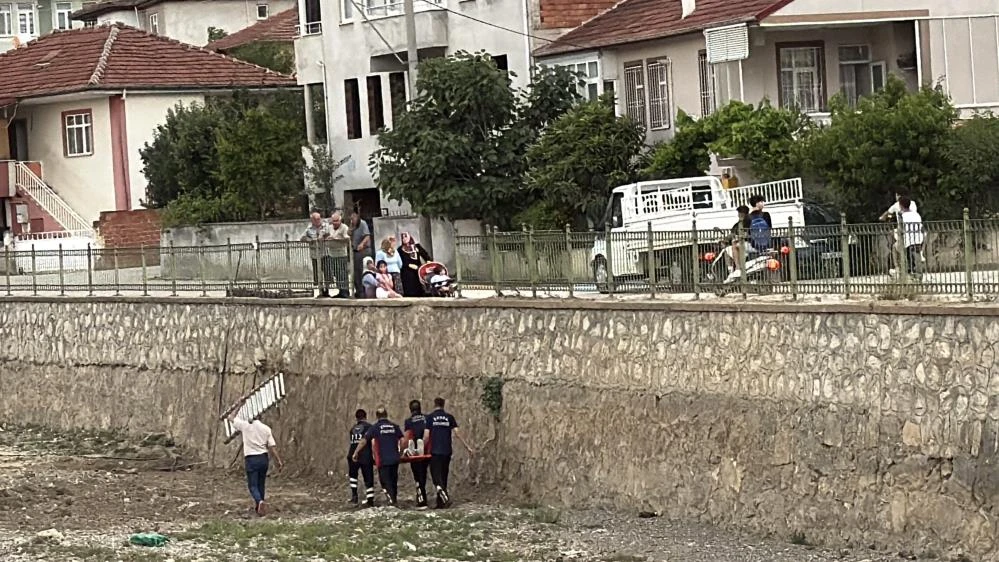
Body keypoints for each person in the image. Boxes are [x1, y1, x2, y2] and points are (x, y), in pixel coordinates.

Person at [227, 400, 285, 516]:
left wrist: (239, 404)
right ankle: (259, 507)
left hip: (251, 458)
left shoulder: (245, 426)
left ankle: (259, 501)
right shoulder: (266, 429)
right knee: (261, 483)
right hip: (263, 458)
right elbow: (272, 447)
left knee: (252, 485)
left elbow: (230, 417)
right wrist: (278, 461)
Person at [422, 397, 474, 509]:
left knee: (436, 477)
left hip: (435, 451)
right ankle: (441, 503)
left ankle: (445, 498)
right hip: (447, 451)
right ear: (443, 405)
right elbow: (458, 433)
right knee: (444, 476)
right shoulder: (449, 417)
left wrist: (421, 448)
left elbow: (426, 436)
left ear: (434, 404)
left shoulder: (430, 418)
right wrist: (468, 447)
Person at [352, 406, 403, 506]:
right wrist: (401, 452)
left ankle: (391, 501)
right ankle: (394, 499)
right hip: (395, 458)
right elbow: (402, 440)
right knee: (393, 480)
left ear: (377, 416)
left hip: (383, 459)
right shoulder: (394, 426)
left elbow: (363, 441)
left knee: (385, 481)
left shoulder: (375, 428)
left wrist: (356, 452)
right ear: (386, 415)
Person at [403, 400, 430, 509]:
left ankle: (421, 499)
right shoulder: (427, 418)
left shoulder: (409, 421)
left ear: (410, 409)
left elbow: (407, 436)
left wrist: (403, 450)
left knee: (418, 477)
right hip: (427, 450)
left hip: (415, 454)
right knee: (423, 474)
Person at [347, 409, 375, 507]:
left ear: (356, 418)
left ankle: (354, 496)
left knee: (353, 476)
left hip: (352, 454)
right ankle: (370, 499)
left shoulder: (352, 429)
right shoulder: (369, 427)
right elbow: (372, 442)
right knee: (368, 477)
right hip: (365, 455)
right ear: (365, 417)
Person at [300, 211, 331, 298]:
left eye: (319, 218)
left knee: (327, 273)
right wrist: (310, 240)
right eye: (316, 219)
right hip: (315, 254)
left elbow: (329, 233)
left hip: (325, 253)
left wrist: (323, 236)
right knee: (317, 274)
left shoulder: (325, 225)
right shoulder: (309, 228)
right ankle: (320, 291)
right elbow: (302, 238)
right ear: (312, 220)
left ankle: (327, 290)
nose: (318, 220)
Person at [897, 197, 924, 276]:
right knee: (915, 255)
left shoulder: (902, 215)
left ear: (901, 205)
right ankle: (918, 273)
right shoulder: (916, 214)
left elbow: (901, 228)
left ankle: (909, 273)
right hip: (919, 238)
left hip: (908, 239)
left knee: (908, 259)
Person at [399, 232, 432, 297]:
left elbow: (425, 255)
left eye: (406, 236)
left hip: (418, 270)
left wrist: (428, 262)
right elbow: (401, 261)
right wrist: (409, 265)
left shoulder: (417, 246)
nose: (404, 238)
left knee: (420, 286)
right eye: (402, 237)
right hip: (407, 271)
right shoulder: (400, 249)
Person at [327, 211, 351, 298]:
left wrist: (335, 239)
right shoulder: (329, 228)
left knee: (342, 273)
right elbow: (324, 235)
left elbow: (347, 238)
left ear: (340, 221)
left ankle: (345, 291)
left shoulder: (344, 227)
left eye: (337, 221)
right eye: (333, 221)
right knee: (336, 273)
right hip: (332, 253)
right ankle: (340, 290)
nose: (335, 223)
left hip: (341, 254)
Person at [349, 211, 373, 297]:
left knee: (362, 271)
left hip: (363, 251)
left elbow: (367, 236)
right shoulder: (352, 226)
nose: (352, 220)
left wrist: (362, 244)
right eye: (351, 219)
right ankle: (359, 291)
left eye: (353, 218)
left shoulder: (362, 223)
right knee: (356, 273)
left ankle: (364, 291)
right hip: (355, 251)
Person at [728, 205, 751, 271]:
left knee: (734, 244)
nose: (740, 214)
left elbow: (748, 234)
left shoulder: (749, 222)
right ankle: (730, 269)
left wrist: (738, 237)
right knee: (727, 250)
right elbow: (732, 233)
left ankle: (738, 267)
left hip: (748, 243)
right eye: (739, 213)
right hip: (741, 242)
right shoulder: (737, 224)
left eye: (741, 213)